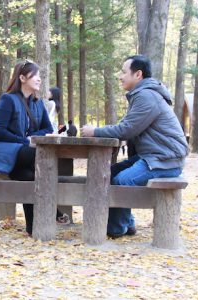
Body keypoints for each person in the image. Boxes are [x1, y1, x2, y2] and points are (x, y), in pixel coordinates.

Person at [80, 55, 188, 238]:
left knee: (123, 180)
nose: (120, 76)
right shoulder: (144, 94)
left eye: (124, 72)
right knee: (111, 172)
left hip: (164, 160)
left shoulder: (146, 96)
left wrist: (95, 131)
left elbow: (127, 129)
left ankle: (116, 228)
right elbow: (129, 127)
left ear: (138, 74)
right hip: (155, 156)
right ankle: (127, 223)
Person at [0, 60, 57, 236]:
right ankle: (54, 207)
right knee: (39, 155)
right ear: (22, 77)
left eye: (40, 76)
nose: (39, 79)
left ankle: (33, 227)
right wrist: (25, 141)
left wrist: (30, 138)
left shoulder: (37, 103)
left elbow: (48, 129)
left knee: (30, 176)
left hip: (18, 152)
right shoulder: (8, 100)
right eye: (35, 75)